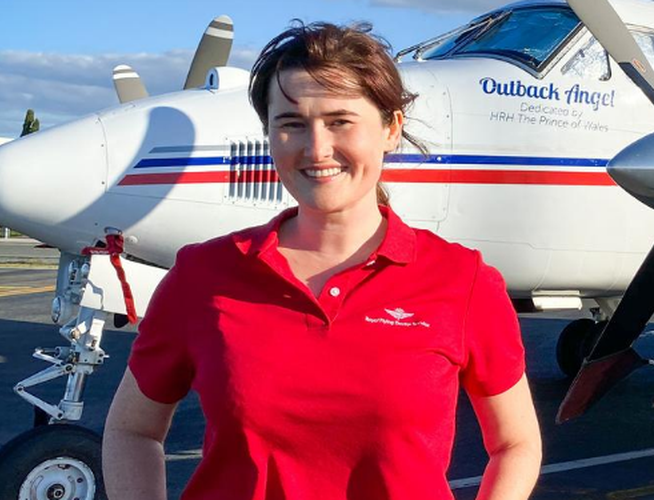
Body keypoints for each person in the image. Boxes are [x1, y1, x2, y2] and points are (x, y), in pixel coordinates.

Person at [103, 21, 541, 500]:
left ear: (391, 129)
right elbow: (132, 430)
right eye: (291, 124)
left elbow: (515, 443)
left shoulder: (461, 280)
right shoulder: (204, 277)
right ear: (269, 135)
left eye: (340, 121)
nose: (316, 148)